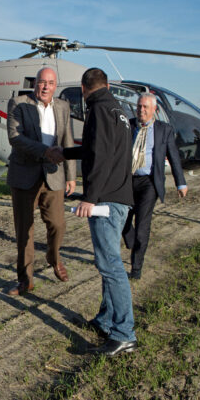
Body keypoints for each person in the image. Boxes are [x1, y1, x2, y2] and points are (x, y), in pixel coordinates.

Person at [59, 67, 137, 357]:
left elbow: (101, 156)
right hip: (119, 196)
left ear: (83, 88)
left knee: (111, 266)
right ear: (105, 84)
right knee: (109, 264)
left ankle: (124, 334)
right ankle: (106, 320)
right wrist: (65, 153)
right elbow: (98, 149)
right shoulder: (116, 110)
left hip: (105, 201)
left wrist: (89, 198)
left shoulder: (99, 110)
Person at [6, 67, 76, 294]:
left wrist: (71, 175)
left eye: (50, 83)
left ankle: (53, 258)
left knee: (58, 224)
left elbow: (67, 141)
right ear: (35, 83)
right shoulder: (18, 103)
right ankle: (25, 280)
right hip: (24, 176)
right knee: (24, 231)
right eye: (41, 82)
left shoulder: (63, 107)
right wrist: (45, 151)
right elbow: (15, 138)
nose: (45, 86)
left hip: (53, 176)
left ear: (56, 86)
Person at [122, 93, 187, 280]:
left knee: (142, 225)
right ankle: (133, 243)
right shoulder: (129, 125)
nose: (141, 110)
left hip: (149, 183)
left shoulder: (164, 130)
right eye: (139, 106)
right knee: (123, 222)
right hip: (128, 181)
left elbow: (174, 156)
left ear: (154, 110)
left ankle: (136, 267)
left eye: (145, 107)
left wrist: (180, 182)